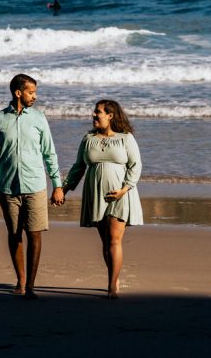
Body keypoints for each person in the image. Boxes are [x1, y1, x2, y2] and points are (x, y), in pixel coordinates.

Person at [0, 73, 65, 299]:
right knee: (14, 234)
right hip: (8, 187)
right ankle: (21, 280)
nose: (34, 96)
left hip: (36, 186)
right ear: (18, 93)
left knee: (35, 235)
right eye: (31, 92)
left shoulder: (39, 118)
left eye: (35, 92)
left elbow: (49, 153)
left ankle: (31, 286)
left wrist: (58, 185)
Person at [62, 99, 143, 298]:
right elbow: (78, 166)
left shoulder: (126, 139)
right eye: (94, 111)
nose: (93, 115)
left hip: (120, 194)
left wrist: (124, 189)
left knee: (115, 240)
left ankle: (112, 286)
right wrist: (63, 189)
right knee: (106, 242)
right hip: (95, 194)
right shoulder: (88, 139)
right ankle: (114, 278)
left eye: (98, 112)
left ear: (110, 115)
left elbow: (136, 165)